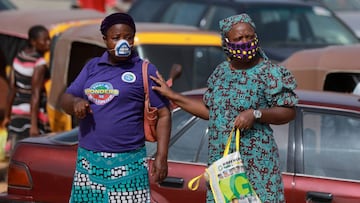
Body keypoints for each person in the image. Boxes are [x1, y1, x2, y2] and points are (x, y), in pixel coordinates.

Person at [151, 13, 298, 203]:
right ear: (227, 42)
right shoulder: (221, 72)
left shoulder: (271, 73)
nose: (245, 42)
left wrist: (256, 114)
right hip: (223, 164)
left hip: (256, 165)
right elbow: (213, 114)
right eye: (238, 38)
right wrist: (174, 96)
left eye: (249, 37)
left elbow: (288, 111)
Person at [60, 13, 171, 202]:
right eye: (116, 38)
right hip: (89, 162)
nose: (123, 43)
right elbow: (66, 98)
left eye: (128, 37)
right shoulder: (92, 67)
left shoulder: (144, 70)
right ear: (105, 40)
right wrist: (75, 103)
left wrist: (162, 156)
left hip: (129, 163)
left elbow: (164, 114)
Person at [5, 25, 51, 151]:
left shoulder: (19, 57)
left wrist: (7, 116)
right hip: (32, 114)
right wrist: (34, 125)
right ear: (33, 42)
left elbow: (12, 89)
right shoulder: (39, 63)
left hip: (17, 110)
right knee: (32, 153)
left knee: (16, 151)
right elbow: (35, 94)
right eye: (45, 40)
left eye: (49, 40)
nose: (48, 43)